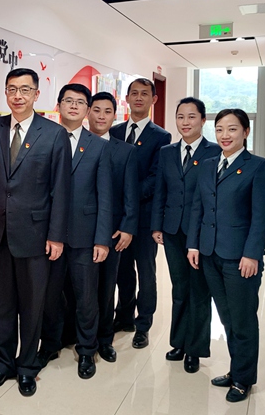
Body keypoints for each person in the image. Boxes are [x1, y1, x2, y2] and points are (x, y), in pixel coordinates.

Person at [0, 68, 71, 396]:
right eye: (12, 89)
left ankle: (27, 366)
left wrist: (56, 235)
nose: (18, 96)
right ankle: (3, 363)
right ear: (5, 92)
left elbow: (61, 189)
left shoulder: (54, 134)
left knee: (31, 304)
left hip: (36, 234)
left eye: (25, 90)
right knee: (1, 304)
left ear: (36, 95)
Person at [187, 108, 265, 403]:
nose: (225, 135)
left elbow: (261, 217)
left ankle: (243, 379)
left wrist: (252, 254)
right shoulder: (208, 164)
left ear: (246, 132)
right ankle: (236, 369)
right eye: (220, 129)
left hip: (240, 258)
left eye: (232, 129)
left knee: (243, 320)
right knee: (226, 318)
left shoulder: (258, 167)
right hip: (210, 253)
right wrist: (194, 245)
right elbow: (198, 208)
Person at [37, 84, 112, 379]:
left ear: (87, 110)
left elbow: (105, 197)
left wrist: (102, 240)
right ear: (58, 105)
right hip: (48, 235)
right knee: (49, 296)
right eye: (68, 100)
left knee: (86, 298)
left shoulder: (99, 146)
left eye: (80, 102)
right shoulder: (44, 139)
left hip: (85, 235)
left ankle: (86, 350)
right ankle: (50, 344)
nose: (73, 106)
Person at [151, 97, 221, 374]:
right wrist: (157, 225)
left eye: (192, 117)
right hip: (172, 230)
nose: (185, 122)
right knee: (179, 288)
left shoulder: (215, 151)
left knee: (199, 291)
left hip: (201, 233)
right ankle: (178, 343)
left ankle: (195, 349)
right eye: (180, 117)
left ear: (203, 120)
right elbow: (161, 191)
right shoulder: (167, 152)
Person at [110, 77, 171, 348]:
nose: (138, 98)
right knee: (122, 270)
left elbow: (156, 177)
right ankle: (124, 316)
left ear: (153, 100)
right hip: (119, 218)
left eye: (144, 94)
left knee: (146, 272)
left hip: (145, 217)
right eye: (133, 93)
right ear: (126, 98)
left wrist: (127, 194)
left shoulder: (161, 137)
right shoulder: (114, 132)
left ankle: (143, 323)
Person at [86, 91, 139, 362]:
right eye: (96, 110)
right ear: (88, 112)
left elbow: (131, 192)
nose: (101, 116)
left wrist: (128, 227)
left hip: (112, 231)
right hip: (80, 230)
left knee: (107, 288)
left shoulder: (125, 151)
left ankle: (105, 340)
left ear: (115, 116)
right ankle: (79, 336)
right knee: (79, 289)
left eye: (108, 111)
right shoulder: (75, 144)